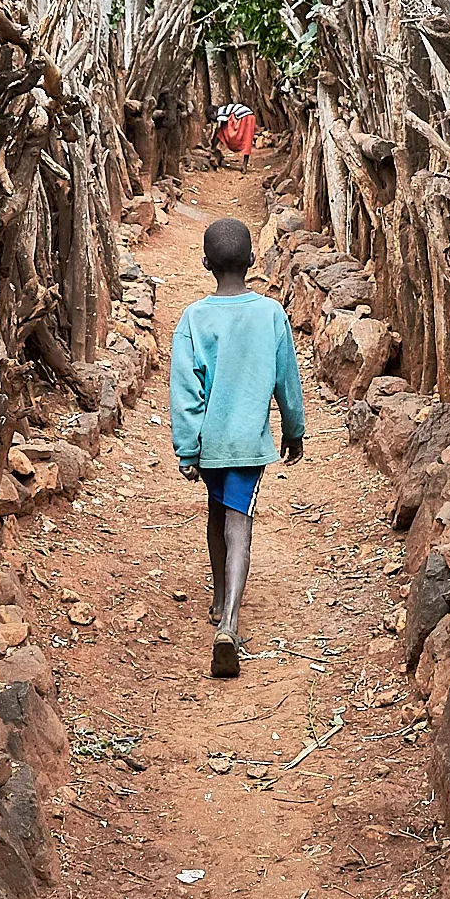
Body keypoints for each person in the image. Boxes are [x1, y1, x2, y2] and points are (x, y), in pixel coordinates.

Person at [169, 217, 307, 678]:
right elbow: (287, 381)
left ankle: (216, 599)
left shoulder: (194, 319)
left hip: (210, 443)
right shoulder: (271, 315)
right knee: (239, 524)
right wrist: (294, 429)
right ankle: (229, 622)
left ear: (205, 263)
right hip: (248, 443)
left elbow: (186, 392)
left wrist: (187, 449)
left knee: (216, 513)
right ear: (252, 259)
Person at [212, 102, 256, 172]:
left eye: (212, 119)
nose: (213, 121)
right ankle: (244, 165)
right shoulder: (226, 109)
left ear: (213, 113)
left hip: (242, 117)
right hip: (251, 117)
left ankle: (213, 148)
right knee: (247, 140)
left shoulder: (221, 110)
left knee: (220, 131)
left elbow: (218, 127)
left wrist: (213, 142)